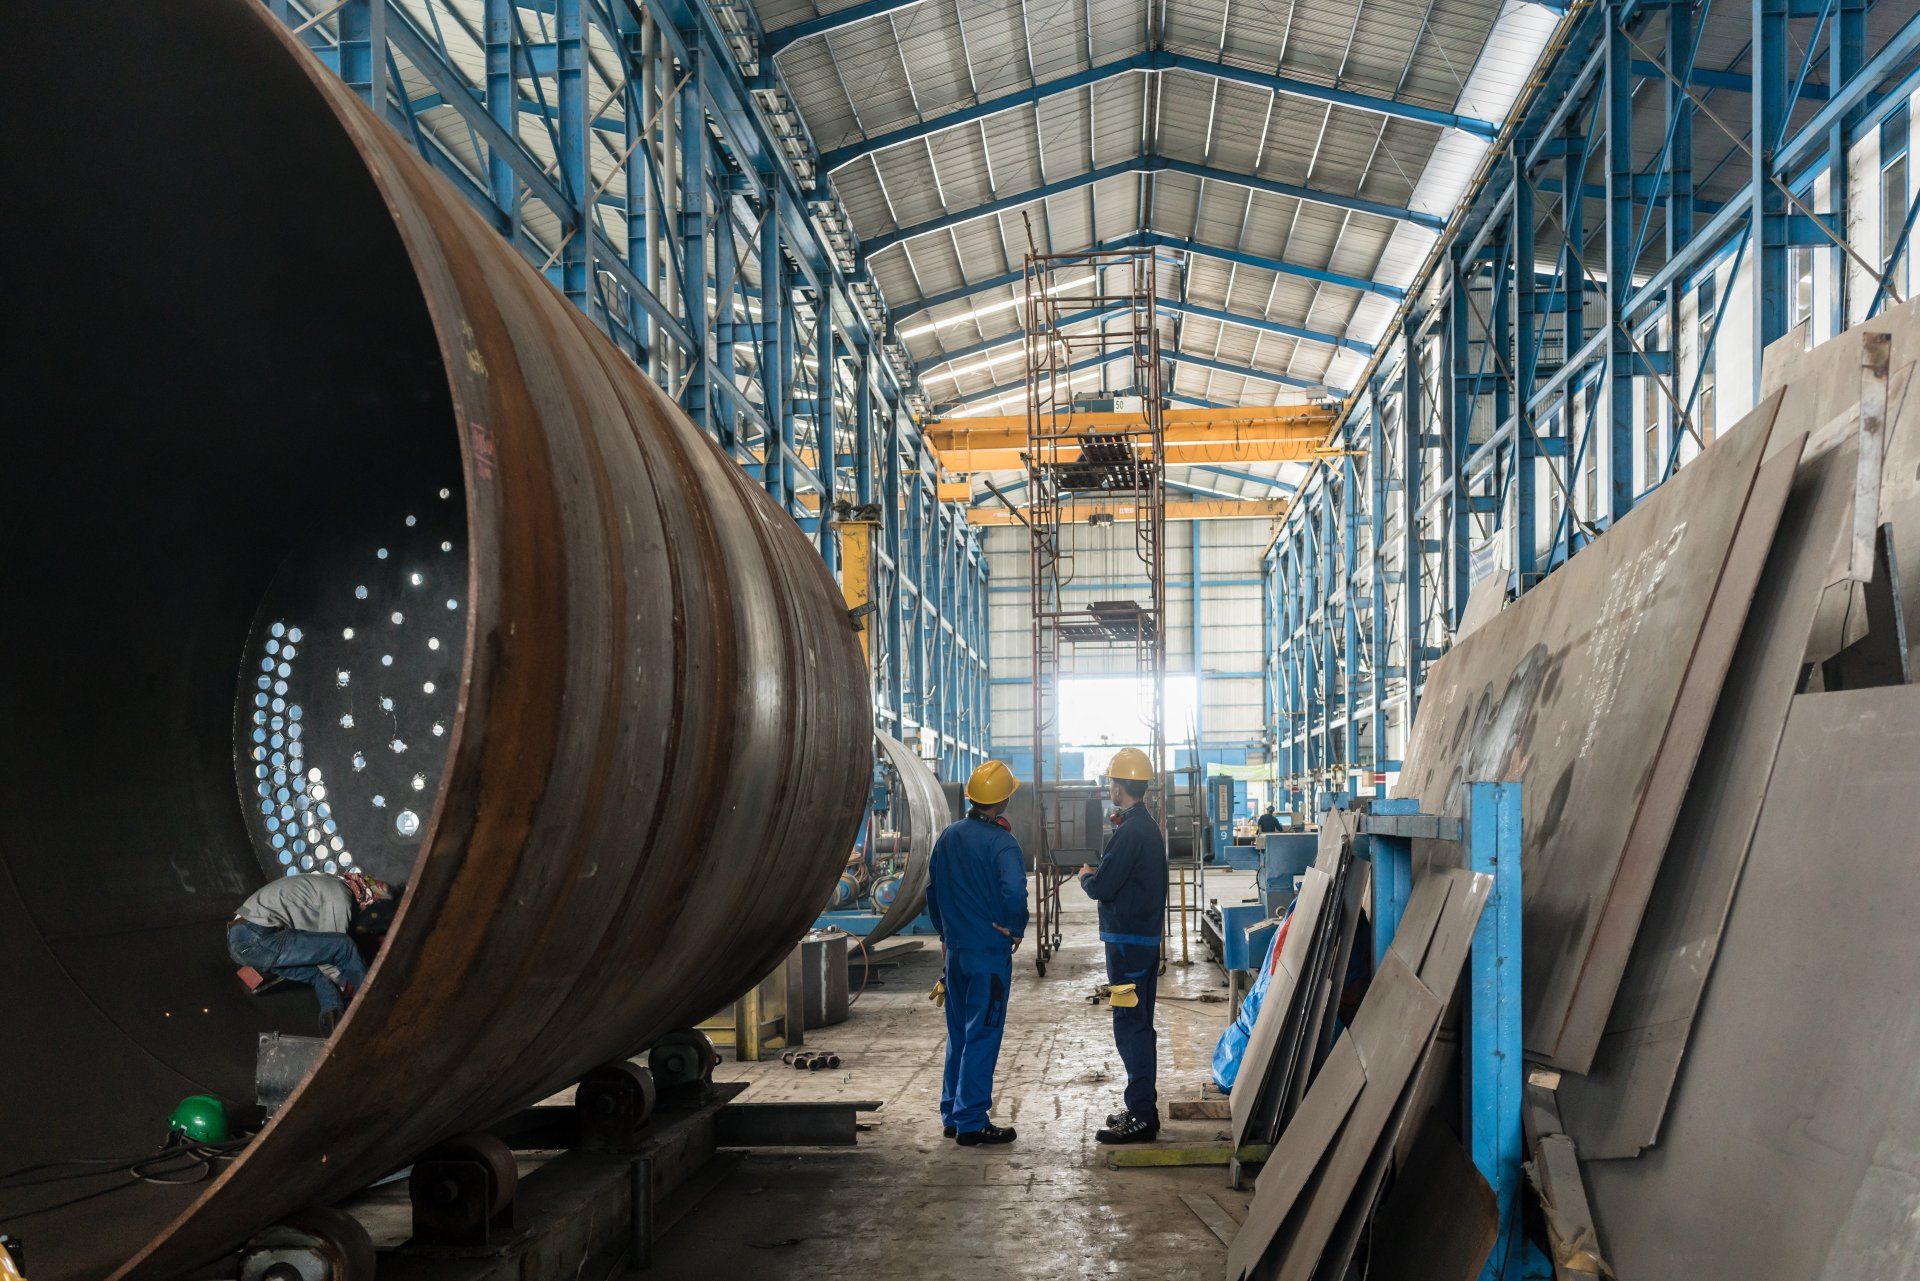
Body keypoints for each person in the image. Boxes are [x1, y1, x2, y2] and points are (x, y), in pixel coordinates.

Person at [925, 759, 1028, 1147]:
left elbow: (932, 890)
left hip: (957, 955)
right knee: (983, 1032)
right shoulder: (1003, 843)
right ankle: (971, 1121)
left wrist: (945, 932)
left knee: (959, 1033)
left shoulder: (949, 836)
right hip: (988, 957)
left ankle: (953, 1110)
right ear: (1002, 802)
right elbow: (1014, 891)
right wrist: (1014, 926)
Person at [1078, 746, 1168, 1145]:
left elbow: (1104, 886)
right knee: (1137, 1024)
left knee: (1130, 1026)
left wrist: (1086, 877)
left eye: (1111, 781)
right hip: (1138, 941)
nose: (1109, 788)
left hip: (1128, 946)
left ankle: (1142, 1116)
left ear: (1120, 787)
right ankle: (1142, 1108)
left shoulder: (1132, 831)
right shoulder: (1140, 826)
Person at [228, 871, 396, 1033]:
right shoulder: (339, 894)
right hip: (255, 936)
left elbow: (317, 945)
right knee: (343, 946)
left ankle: (333, 1021)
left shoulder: (324, 881)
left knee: (316, 975)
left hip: (242, 941)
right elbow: (337, 949)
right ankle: (374, 1006)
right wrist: (345, 983)